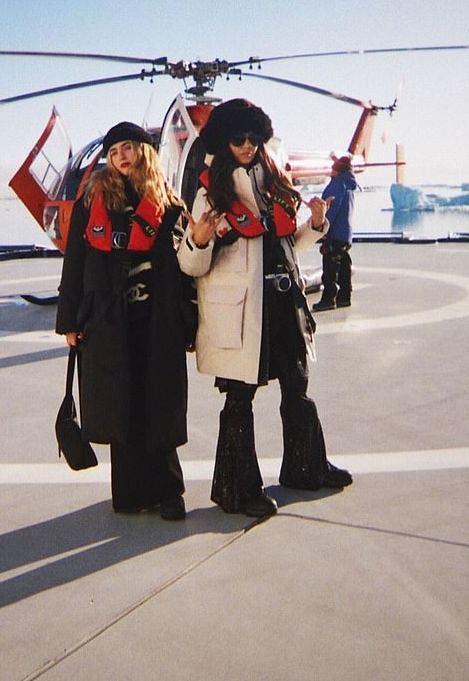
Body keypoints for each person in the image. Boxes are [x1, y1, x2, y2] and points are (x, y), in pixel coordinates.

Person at [178, 98, 352, 519]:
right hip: (241, 311)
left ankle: (306, 467)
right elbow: (190, 264)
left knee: (297, 383)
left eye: (255, 138)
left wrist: (316, 223)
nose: (248, 145)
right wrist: (198, 239)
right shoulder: (210, 194)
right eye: (238, 138)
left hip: (282, 301)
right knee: (240, 397)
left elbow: (288, 245)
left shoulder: (271, 185)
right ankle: (236, 490)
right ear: (223, 141)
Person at [55, 122, 196, 520]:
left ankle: (169, 490)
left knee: (160, 400)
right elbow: (75, 263)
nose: (121, 156)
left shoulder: (167, 201)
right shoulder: (93, 201)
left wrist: (190, 321)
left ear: (143, 152)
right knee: (122, 402)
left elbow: (186, 268)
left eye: (128, 148)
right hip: (109, 321)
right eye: (114, 150)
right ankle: (131, 492)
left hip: (158, 317)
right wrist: (70, 320)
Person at [313, 154, 359, 311]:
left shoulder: (337, 185)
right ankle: (345, 297)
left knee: (330, 268)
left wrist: (324, 227)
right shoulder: (349, 185)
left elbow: (331, 208)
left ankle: (328, 299)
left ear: (337, 171)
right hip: (346, 233)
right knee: (344, 264)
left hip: (335, 233)